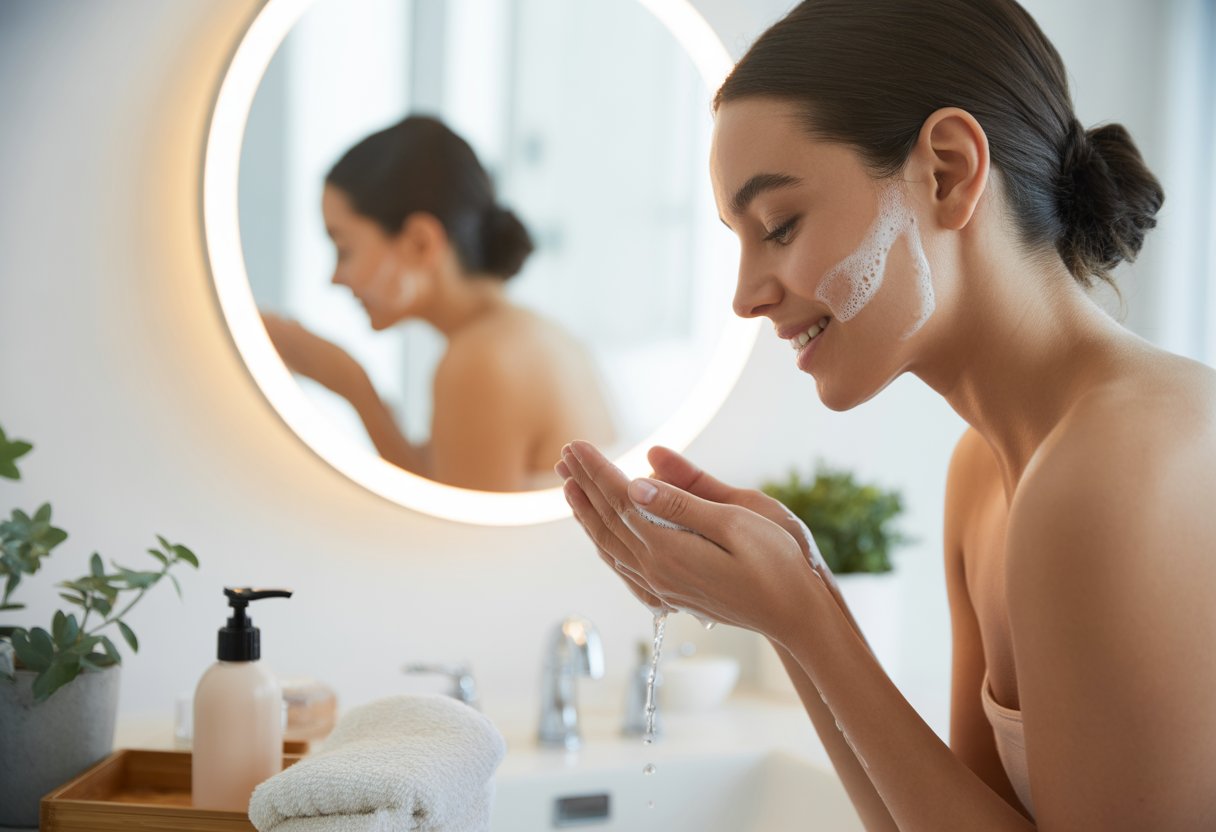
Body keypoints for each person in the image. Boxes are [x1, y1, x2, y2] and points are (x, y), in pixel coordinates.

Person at [557, 0, 1216, 828]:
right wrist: (796, 610)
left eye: (780, 224)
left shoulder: (1122, 465)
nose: (746, 295)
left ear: (946, 170)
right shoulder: (984, 473)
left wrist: (808, 617)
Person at [263, 116, 615, 492]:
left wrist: (353, 386)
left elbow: (453, 536)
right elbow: (447, 476)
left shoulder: (481, 361)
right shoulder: (519, 334)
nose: (335, 277)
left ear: (420, 242)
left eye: (344, 249)